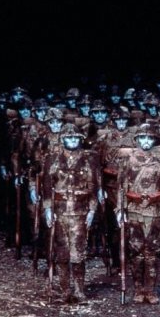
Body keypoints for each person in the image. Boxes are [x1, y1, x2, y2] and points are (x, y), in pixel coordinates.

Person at [116, 123, 160, 304]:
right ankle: (138, 289)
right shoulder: (128, 159)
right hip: (133, 209)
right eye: (143, 138)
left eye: (150, 138)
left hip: (155, 209)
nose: (146, 141)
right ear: (137, 140)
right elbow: (121, 186)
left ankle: (150, 290)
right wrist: (120, 209)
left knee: (152, 251)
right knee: (136, 251)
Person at [42, 124, 97, 303]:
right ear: (63, 139)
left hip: (80, 211)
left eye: (75, 138)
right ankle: (65, 290)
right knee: (61, 252)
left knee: (78, 252)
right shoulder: (52, 159)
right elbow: (47, 187)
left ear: (80, 139)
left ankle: (79, 291)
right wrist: (48, 209)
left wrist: (92, 210)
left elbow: (93, 187)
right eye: (69, 138)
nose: (72, 141)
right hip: (59, 211)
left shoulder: (89, 159)